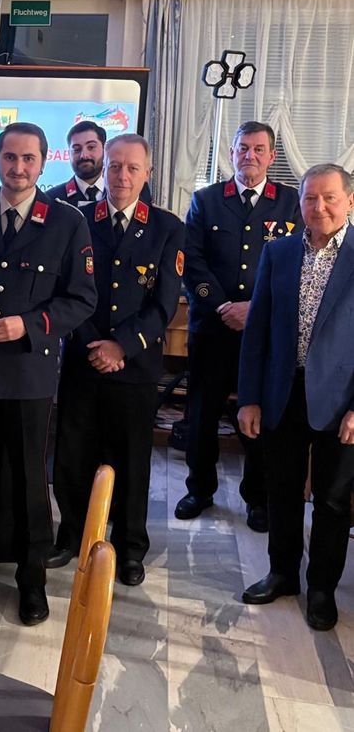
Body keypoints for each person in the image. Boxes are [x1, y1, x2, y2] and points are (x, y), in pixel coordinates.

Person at [0, 121, 97, 625]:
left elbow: (81, 299)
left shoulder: (67, 222)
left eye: (29, 159)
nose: (18, 168)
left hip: (29, 373)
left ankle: (33, 579)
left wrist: (27, 325)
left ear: (43, 163)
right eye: (10, 158)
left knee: (31, 481)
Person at [46, 134, 184, 585]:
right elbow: (67, 294)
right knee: (73, 452)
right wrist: (96, 346)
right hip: (84, 361)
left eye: (131, 168)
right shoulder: (77, 219)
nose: (121, 176)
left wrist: (121, 346)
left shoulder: (166, 228)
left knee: (131, 459)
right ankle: (71, 535)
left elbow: (163, 304)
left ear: (147, 174)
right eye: (115, 167)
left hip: (136, 366)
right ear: (103, 169)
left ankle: (129, 547)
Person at [239, 163, 354, 631]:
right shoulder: (280, 252)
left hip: (340, 400)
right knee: (281, 490)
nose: (319, 207)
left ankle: (322, 588)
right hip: (282, 392)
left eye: (329, 198)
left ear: (348, 200)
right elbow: (258, 329)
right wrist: (249, 397)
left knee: (330, 500)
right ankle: (283, 573)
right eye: (310, 199)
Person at [175, 121, 302, 530]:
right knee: (202, 413)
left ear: (272, 156)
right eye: (242, 148)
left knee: (259, 415)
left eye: (258, 149)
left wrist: (254, 309)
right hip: (211, 329)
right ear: (231, 153)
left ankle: (257, 498)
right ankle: (199, 488)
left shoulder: (291, 203)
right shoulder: (206, 200)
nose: (250, 155)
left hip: (263, 335)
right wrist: (224, 306)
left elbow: (297, 266)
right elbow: (191, 262)